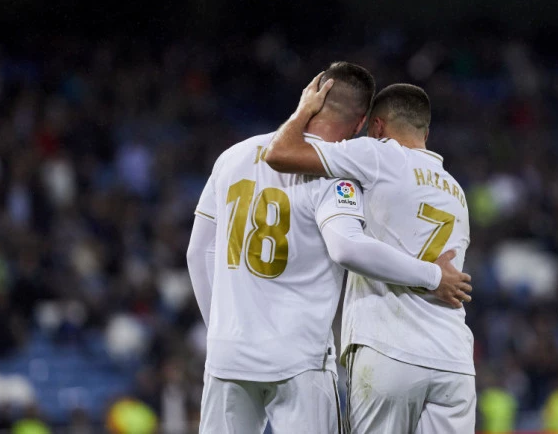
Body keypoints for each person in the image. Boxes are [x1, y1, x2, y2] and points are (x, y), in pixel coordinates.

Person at [187, 63, 472, 434]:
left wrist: (222, 331)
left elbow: (198, 253)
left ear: (310, 100)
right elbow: (347, 246)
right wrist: (433, 275)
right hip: (300, 358)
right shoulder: (337, 175)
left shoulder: (231, 157)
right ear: (361, 124)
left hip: (229, 353)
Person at [265, 82, 476, 433]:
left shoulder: (378, 154)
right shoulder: (455, 189)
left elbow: (280, 153)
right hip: (453, 359)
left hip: (389, 348)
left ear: (377, 127)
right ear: (426, 132)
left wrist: (304, 110)